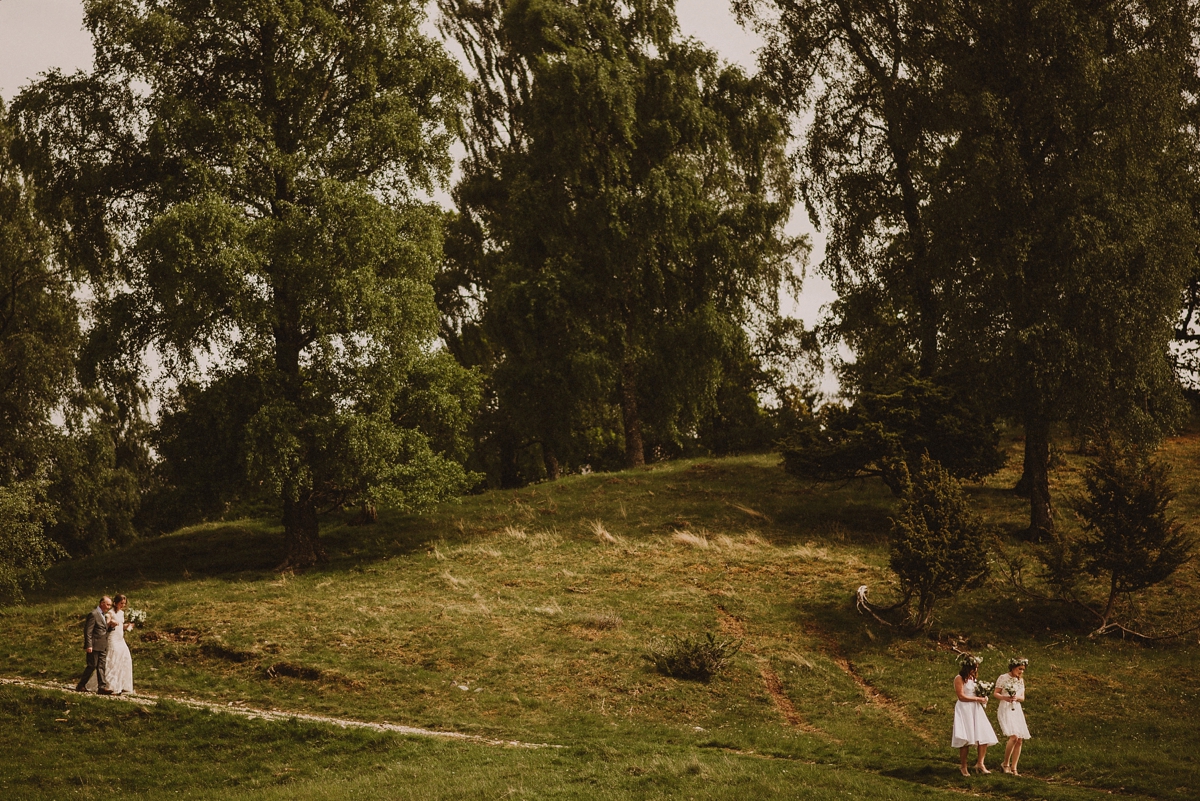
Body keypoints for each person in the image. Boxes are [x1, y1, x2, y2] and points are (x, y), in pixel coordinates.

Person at [951, 655, 998, 776]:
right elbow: (961, 696)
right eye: (974, 667)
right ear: (967, 667)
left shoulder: (973, 679)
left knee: (983, 735)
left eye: (976, 668)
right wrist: (977, 698)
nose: (976, 670)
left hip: (976, 709)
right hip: (964, 709)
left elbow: (975, 692)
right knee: (966, 738)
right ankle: (963, 766)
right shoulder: (959, 678)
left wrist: (983, 697)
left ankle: (980, 763)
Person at [993, 657, 1031, 775]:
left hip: (1016, 708)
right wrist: (1005, 697)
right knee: (1014, 736)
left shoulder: (1020, 680)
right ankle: (1005, 764)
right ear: (1013, 667)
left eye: (1023, 669)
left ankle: (1014, 768)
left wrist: (1016, 698)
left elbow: (1022, 698)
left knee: (1019, 739)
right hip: (1005, 707)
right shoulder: (1003, 677)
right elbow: (996, 693)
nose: (1021, 671)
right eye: (1020, 669)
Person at [76, 595, 116, 694]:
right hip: (94, 644)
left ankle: (102, 687)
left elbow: (103, 630)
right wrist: (88, 645)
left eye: (110, 605)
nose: (108, 607)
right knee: (92, 665)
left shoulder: (103, 614)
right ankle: (81, 684)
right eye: (107, 604)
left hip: (102, 645)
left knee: (101, 666)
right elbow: (88, 631)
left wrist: (111, 626)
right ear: (102, 603)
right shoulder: (94, 614)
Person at [104, 594, 135, 695]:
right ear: (115, 603)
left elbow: (120, 626)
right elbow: (106, 625)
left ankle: (124, 684)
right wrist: (110, 623)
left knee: (126, 658)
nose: (123, 605)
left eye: (124, 604)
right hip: (112, 638)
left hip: (120, 639)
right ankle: (110, 684)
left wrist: (127, 626)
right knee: (113, 659)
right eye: (121, 603)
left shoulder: (121, 613)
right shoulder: (110, 613)